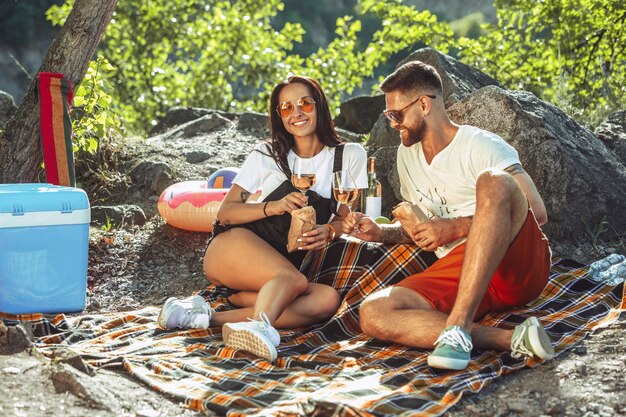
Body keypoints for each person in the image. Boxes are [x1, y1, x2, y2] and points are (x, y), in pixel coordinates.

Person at [346, 61, 555, 370]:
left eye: (396, 114)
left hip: (516, 265)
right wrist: (384, 233)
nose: (393, 123)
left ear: (423, 104)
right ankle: (510, 340)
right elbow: (425, 228)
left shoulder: (480, 145)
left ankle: (456, 327)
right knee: (373, 311)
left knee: (494, 180)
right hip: (458, 270)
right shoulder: (407, 157)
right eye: (389, 116)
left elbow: (536, 212)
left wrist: (456, 227)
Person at [157, 75, 368, 362]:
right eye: (286, 108)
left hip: (276, 270)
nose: (296, 113)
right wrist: (274, 205)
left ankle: (204, 317)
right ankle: (260, 327)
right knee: (292, 281)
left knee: (326, 300)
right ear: (279, 116)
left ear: (319, 106)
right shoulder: (267, 153)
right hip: (234, 247)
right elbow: (226, 212)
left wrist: (330, 231)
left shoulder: (349, 155)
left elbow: (348, 217)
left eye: (305, 103)